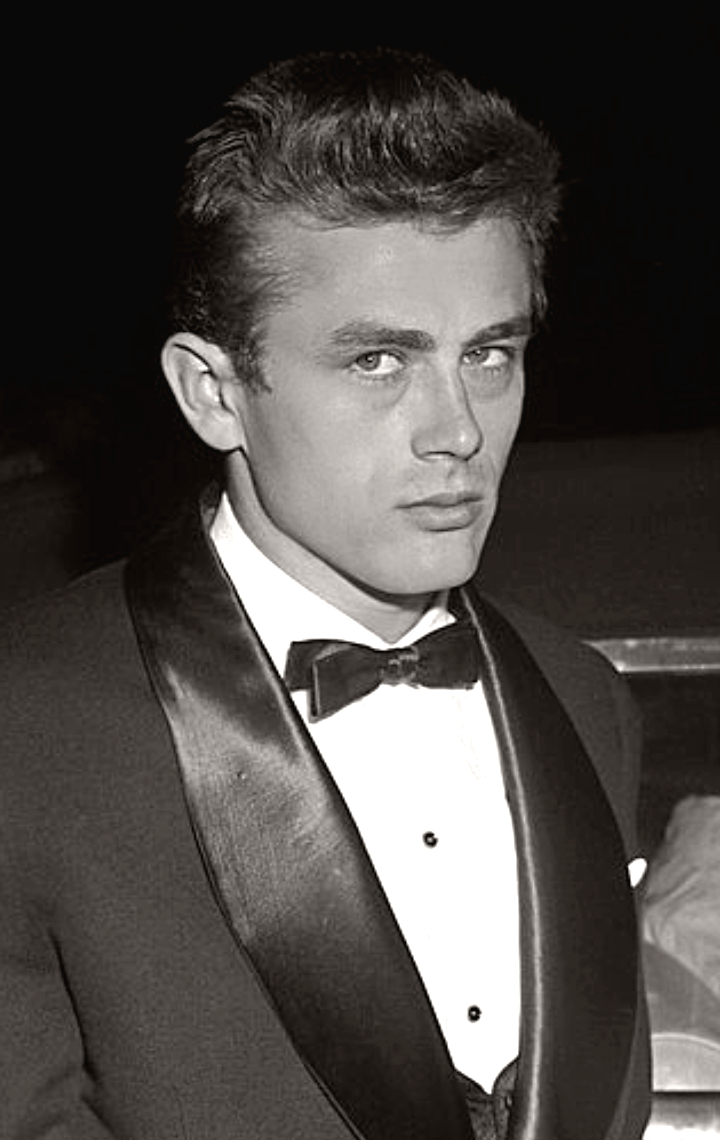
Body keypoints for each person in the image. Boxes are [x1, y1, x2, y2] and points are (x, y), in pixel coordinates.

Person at [0, 48, 651, 1139]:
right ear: (213, 393)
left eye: (489, 354)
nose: (458, 431)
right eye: (378, 362)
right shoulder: (29, 727)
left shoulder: (584, 698)